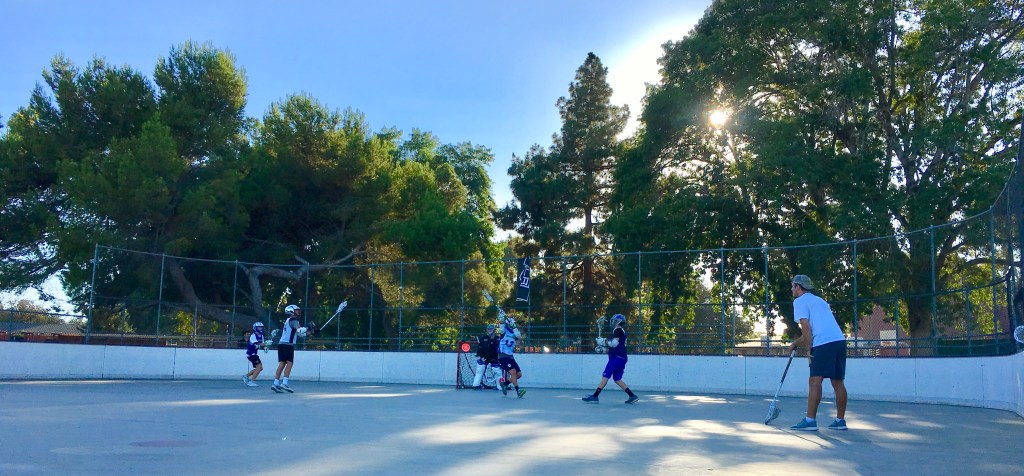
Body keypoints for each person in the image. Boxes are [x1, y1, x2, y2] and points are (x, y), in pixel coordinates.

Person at [788, 275, 848, 431]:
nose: (791, 289)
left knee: (815, 380)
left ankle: (810, 421)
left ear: (798, 287)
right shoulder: (819, 301)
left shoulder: (799, 301)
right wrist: (795, 344)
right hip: (839, 341)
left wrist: (809, 349)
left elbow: (806, 327)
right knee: (837, 381)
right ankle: (840, 421)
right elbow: (811, 330)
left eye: (793, 286)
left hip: (824, 343)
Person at [582, 314, 639, 404]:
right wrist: (604, 350)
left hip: (617, 358)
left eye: (614, 321)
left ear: (619, 322)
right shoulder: (620, 331)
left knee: (605, 376)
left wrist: (603, 341)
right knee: (617, 378)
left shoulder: (618, 329)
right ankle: (632, 396)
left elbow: (614, 344)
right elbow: (616, 347)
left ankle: (595, 396)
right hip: (621, 357)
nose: (612, 322)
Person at [272, 304, 304, 394]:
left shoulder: (288, 320)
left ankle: (276, 383)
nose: (298, 311)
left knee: (282, 363)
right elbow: (300, 330)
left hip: (281, 344)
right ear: (292, 311)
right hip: (288, 345)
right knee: (290, 363)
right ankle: (284, 383)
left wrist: (312, 331)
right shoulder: (294, 320)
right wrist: (308, 328)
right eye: (296, 310)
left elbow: (299, 333)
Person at [497, 313, 525, 398]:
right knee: (513, 371)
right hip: (502, 355)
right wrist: (501, 317)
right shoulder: (504, 332)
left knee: (519, 374)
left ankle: (505, 384)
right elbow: (501, 325)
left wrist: (514, 327)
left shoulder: (515, 333)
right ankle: (518, 390)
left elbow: (519, 337)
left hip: (510, 356)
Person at [472, 323, 501, 389]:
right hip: (484, 357)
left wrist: (499, 357)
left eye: (491, 329)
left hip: (494, 357)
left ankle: (500, 386)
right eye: (488, 329)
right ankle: (476, 385)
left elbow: (500, 349)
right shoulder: (483, 338)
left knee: (497, 371)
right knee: (479, 369)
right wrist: (480, 356)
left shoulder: (498, 338)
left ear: (494, 330)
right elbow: (480, 348)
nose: (489, 330)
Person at [243, 322, 266, 387]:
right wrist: (265, 343)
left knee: (260, 368)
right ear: (255, 328)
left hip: (254, 354)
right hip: (251, 354)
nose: (260, 328)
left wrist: (265, 347)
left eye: (261, 327)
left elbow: (262, 345)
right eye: (259, 327)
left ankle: (246, 376)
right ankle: (251, 381)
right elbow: (256, 344)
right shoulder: (253, 336)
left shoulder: (262, 336)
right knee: (259, 368)